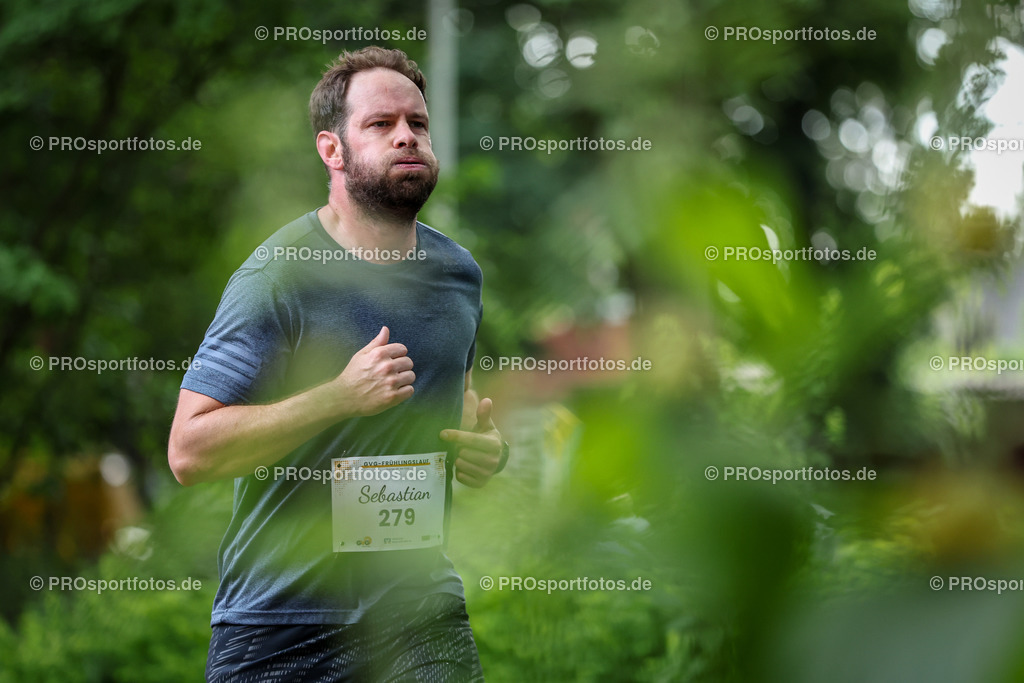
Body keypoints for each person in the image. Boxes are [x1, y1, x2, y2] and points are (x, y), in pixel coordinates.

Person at [168, 46, 507, 682]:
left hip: (417, 612)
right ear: (332, 150)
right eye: (380, 124)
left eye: (418, 123)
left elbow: (458, 411)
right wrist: (338, 397)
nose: (407, 135)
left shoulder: (459, 275)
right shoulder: (277, 276)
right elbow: (189, 452)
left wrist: (485, 451)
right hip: (279, 624)